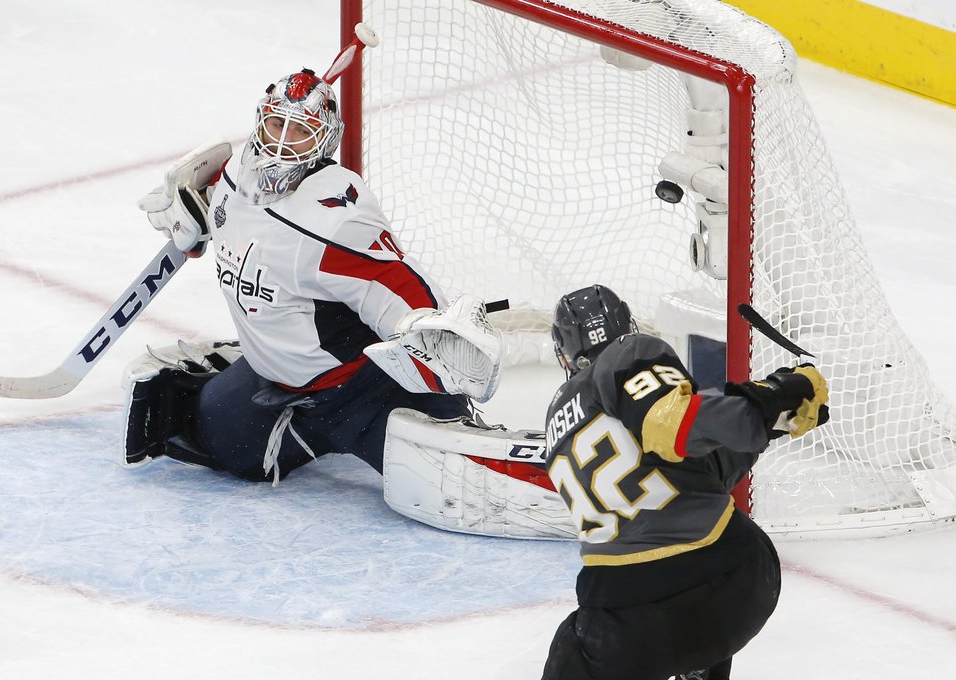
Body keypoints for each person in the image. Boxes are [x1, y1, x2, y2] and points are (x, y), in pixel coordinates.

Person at [121, 68, 501, 485]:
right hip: (275, 379)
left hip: (361, 390)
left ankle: (438, 418)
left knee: (449, 481)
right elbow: (224, 202)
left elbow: (391, 280)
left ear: (323, 139)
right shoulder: (235, 177)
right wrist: (196, 208)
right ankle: (295, 413)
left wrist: (425, 326)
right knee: (228, 447)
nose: (281, 141)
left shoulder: (333, 219)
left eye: (299, 130)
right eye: (275, 123)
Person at [540, 284, 829, 680]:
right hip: (737, 582)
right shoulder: (630, 354)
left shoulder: (556, 422)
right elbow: (688, 445)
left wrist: (762, 413)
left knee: (575, 650)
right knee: (692, 626)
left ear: (564, 353)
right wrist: (771, 402)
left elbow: (673, 431)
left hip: (628, 619)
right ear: (627, 325)